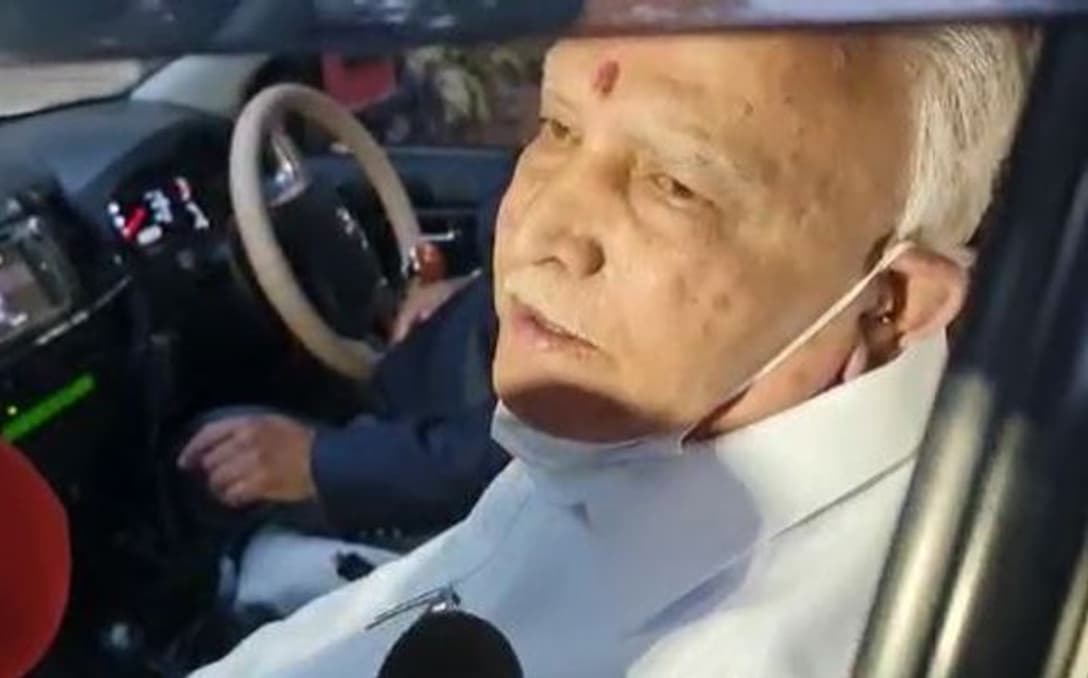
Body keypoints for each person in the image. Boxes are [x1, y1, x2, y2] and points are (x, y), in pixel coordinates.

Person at [194, 25, 1035, 677]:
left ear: (891, 305)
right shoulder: (652, 425)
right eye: (557, 127)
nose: (541, 226)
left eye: (676, 185)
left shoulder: (762, 646)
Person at [177, 208, 509, 541]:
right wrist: (476, 283)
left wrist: (317, 463)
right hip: (431, 398)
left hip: (451, 499)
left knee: (209, 464)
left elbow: (512, 457)